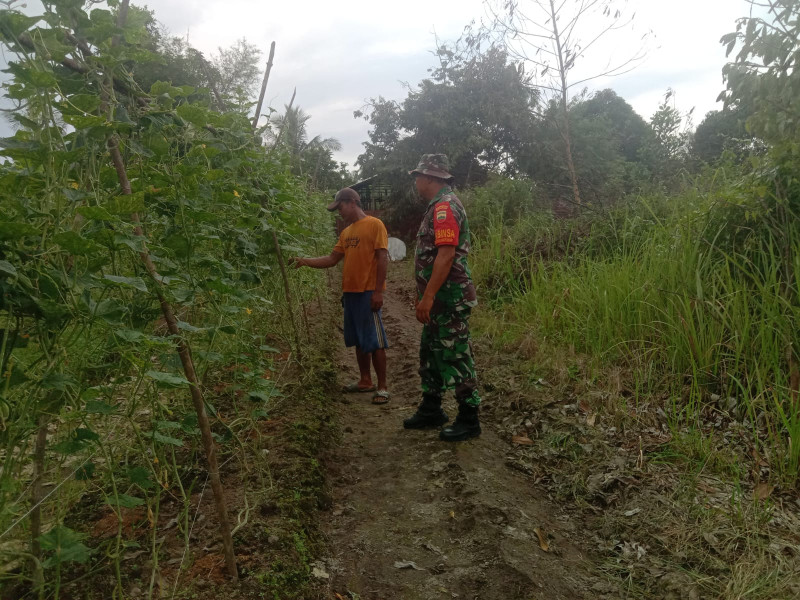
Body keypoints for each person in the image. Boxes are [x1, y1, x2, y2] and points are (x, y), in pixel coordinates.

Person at [402, 154, 481, 441]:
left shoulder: (445, 208)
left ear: (430, 178)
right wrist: (425, 296)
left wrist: (429, 296)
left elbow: (446, 256)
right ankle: (432, 407)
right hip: (438, 299)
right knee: (432, 353)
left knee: (456, 354)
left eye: (417, 176)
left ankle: (469, 418)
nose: (416, 182)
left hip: (449, 299)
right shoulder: (437, 206)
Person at [291, 188, 390, 404]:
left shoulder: (374, 225)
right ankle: (365, 380)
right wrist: (304, 261)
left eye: (340, 207)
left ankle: (382, 387)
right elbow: (332, 259)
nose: (339, 213)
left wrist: (378, 291)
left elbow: (382, 257)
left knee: (375, 341)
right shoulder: (346, 233)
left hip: (367, 293)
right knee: (358, 340)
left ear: (352, 202)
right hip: (351, 294)